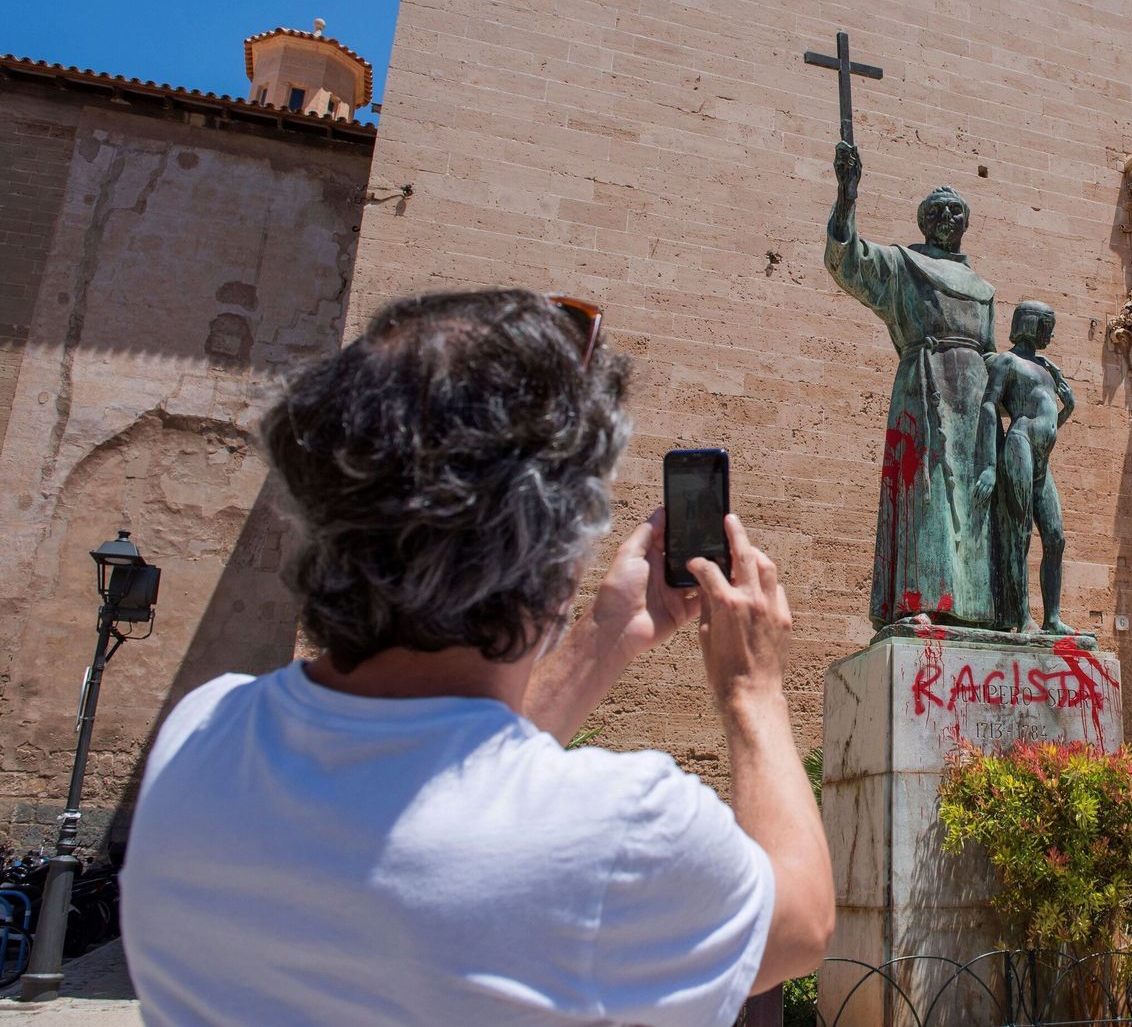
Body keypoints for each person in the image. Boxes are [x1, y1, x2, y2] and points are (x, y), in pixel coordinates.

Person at [119, 290, 832, 1026]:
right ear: (551, 558)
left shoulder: (197, 737)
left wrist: (604, 637)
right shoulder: (617, 832)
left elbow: (448, 776)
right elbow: (803, 921)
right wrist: (754, 688)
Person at [826, 141, 996, 630]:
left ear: (965, 222)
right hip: (925, 388)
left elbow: (990, 353)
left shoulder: (984, 289)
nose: (947, 217)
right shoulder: (904, 265)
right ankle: (920, 599)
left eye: (955, 211)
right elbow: (849, 262)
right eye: (938, 211)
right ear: (925, 222)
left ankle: (978, 609)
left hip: (973, 402)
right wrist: (847, 196)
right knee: (926, 490)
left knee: (975, 497)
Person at [975, 301, 1075, 635]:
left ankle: (1053, 618)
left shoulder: (1047, 367)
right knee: (1019, 533)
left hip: (1042, 459)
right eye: (1048, 324)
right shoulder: (1008, 361)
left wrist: (1068, 408)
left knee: (1056, 537)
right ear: (1032, 324)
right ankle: (1021, 616)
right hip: (1019, 446)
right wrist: (989, 464)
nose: (1052, 332)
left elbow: (1050, 422)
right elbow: (989, 405)